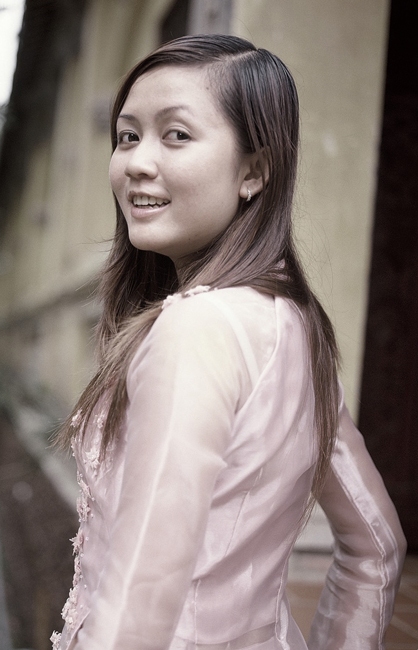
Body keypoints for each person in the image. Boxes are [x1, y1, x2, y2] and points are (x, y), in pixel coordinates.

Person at [51, 34, 406, 650]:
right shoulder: (297, 328)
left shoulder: (193, 330)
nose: (136, 162)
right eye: (128, 136)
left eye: (176, 134)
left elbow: (136, 610)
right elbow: (377, 546)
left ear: (254, 172)